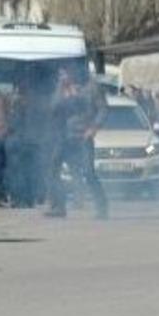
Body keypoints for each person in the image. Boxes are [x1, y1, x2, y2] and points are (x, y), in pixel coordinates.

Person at [47, 66, 109, 219]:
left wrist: (94, 127)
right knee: (52, 170)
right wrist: (63, 93)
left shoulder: (92, 87)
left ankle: (102, 208)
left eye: (65, 73)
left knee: (88, 172)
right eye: (62, 74)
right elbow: (53, 108)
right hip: (64, 137)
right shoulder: (62, 88)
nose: (63, 76)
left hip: (83, 136)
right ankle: (58, 207)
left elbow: (103, 109)